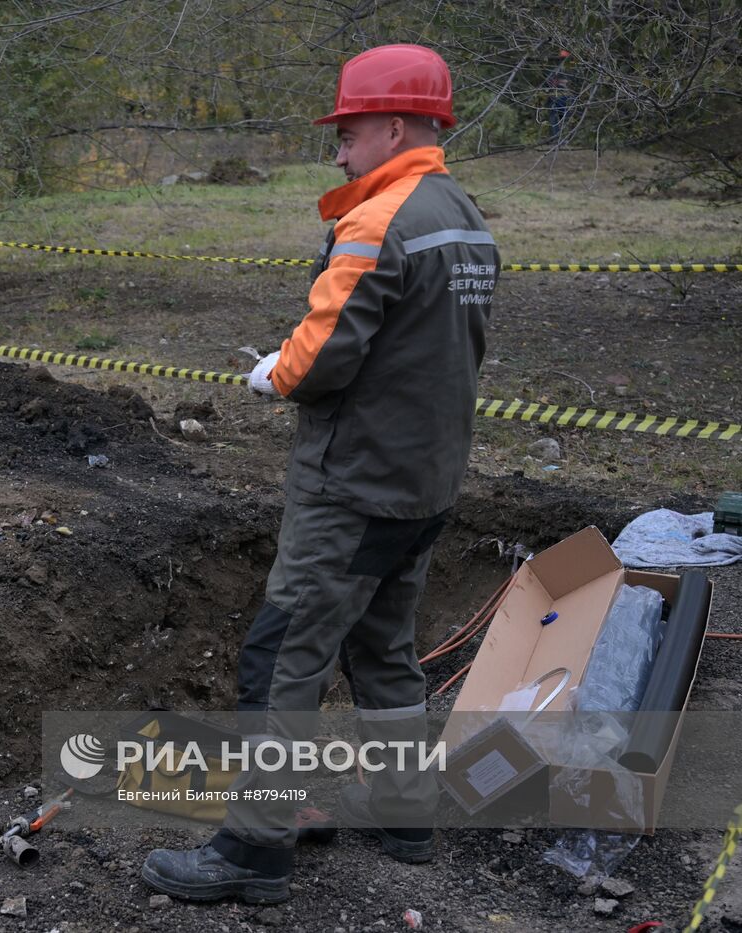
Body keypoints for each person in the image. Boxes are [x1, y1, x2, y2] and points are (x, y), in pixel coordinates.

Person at [142, 43, 499, 904]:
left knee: (280, 657)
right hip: (425, 482)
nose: (337, 150)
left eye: (346, 132)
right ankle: (407, 811)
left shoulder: (379, 220)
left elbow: (327, 353)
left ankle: (252, 848)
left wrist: (276, 371)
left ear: (394, 125)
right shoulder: (465, 216)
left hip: (353, 487)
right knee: (383, 649)